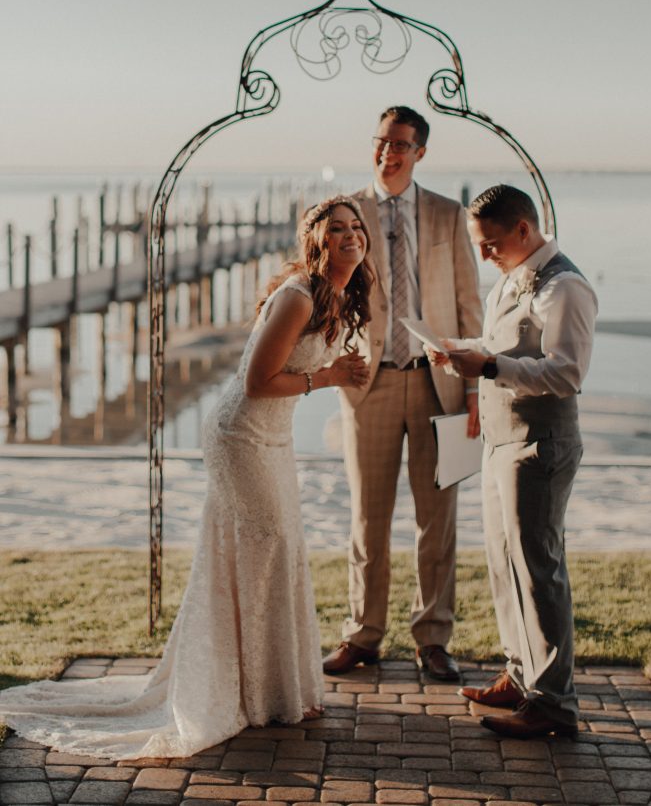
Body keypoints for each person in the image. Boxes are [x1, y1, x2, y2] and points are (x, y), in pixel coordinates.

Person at [0, 195, 372, 760]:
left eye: (355, 227)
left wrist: (340, 373)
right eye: (337, 229)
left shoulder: (338, 296)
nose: (350, 236)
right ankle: (247, 692)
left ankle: (277, 689)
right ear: (315, 242)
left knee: (279, 548)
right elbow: (254, 383)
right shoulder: (297, 297)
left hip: (275, 437)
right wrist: (329, 378)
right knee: (264, 545)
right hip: (240, 435)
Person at [428, 184, 597, 737]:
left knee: (539, 570)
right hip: (502, 440)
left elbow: (566, 373)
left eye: (491, 244)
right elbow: (501, 343)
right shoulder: (510, 275)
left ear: (524, 230)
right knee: (505, 564)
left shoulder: (566, 287)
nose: (484, 255)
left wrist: (489, 368)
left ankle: (553, 703)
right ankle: (521, 675)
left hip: (540, 444)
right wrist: (461, 349)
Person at [323, 106, 483, 681]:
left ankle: (433, 638)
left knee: (438, 519)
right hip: (370, 385)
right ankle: (362, 636)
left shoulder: (447, 215)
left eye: (400, 144)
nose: (388, 152)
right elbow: (325, 293)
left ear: (420, 152)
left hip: (440, 386)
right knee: (368, 517)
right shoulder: (347, 214)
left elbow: (469, 306)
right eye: (382, 141)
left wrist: (474, 392)